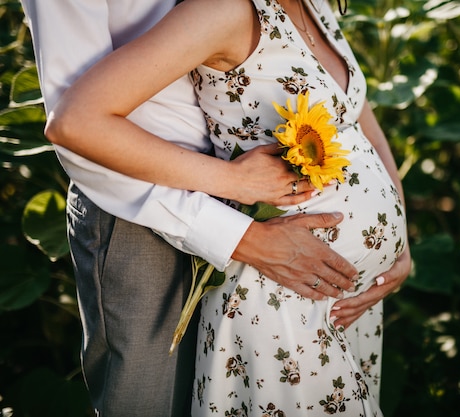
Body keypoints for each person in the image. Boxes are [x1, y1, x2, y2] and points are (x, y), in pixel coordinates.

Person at [21, 0, 411, 416]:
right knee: (147, 402)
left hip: (321, 286)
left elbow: (351, 113)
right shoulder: (223, 10)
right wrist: (235, 203)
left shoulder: (310, 7)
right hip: (150, 208)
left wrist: (399, 240)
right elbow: (74, 123)